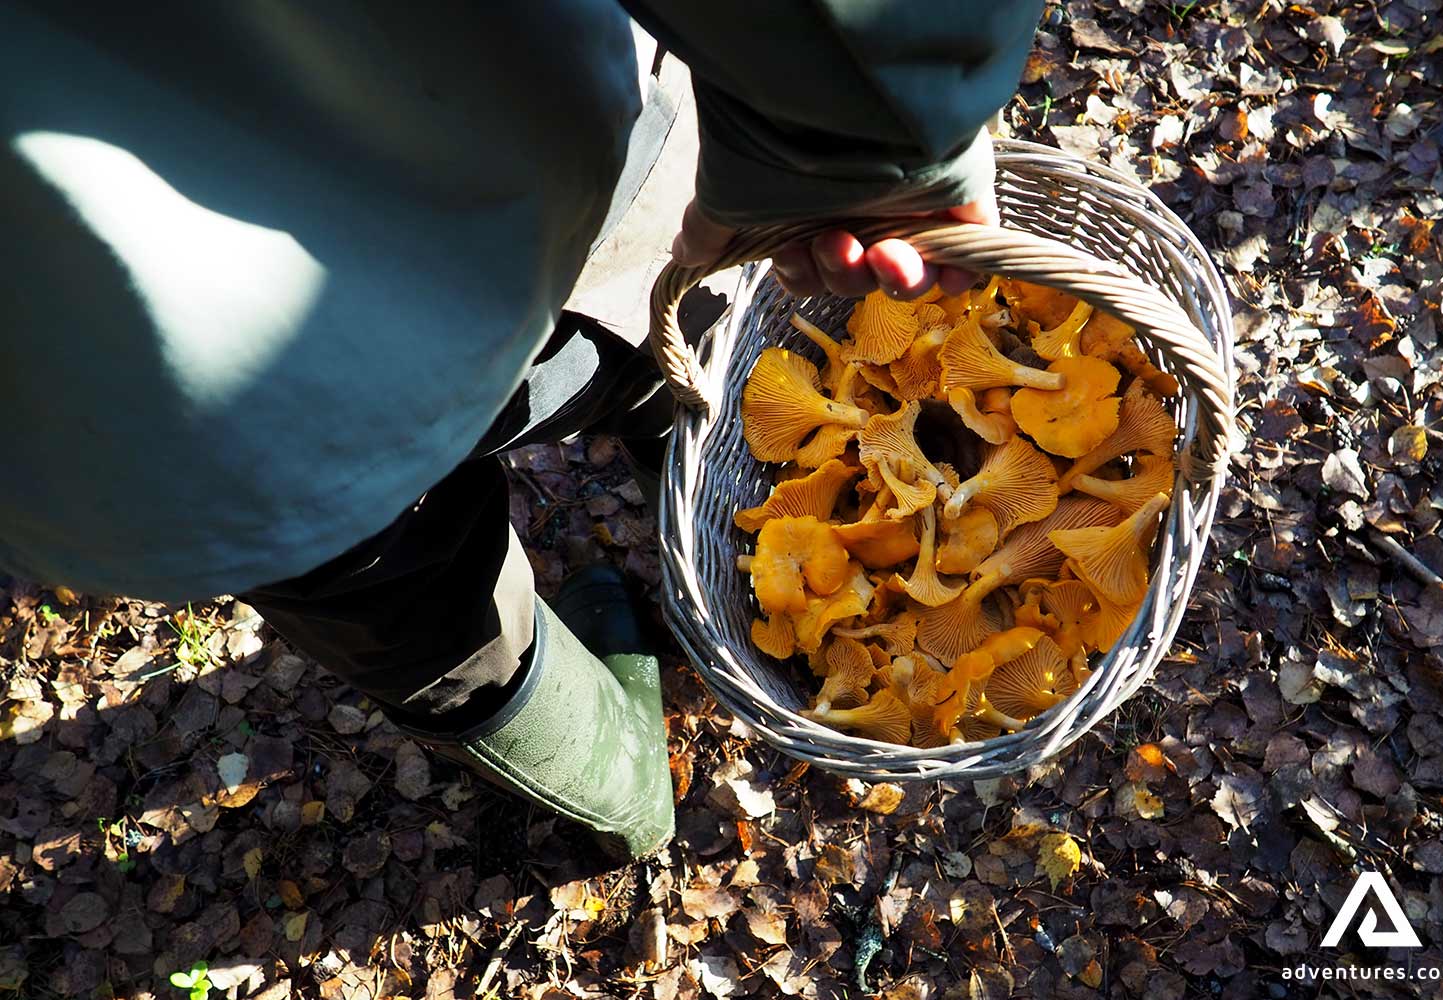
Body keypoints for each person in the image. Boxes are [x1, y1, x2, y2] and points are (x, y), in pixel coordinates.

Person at [0, 1, 1042, 860]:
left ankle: (631, 776)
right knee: (663, 337)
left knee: (410, 600)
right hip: (490, 136)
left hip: (130, 405)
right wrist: (864, 129)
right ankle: (661, 720)